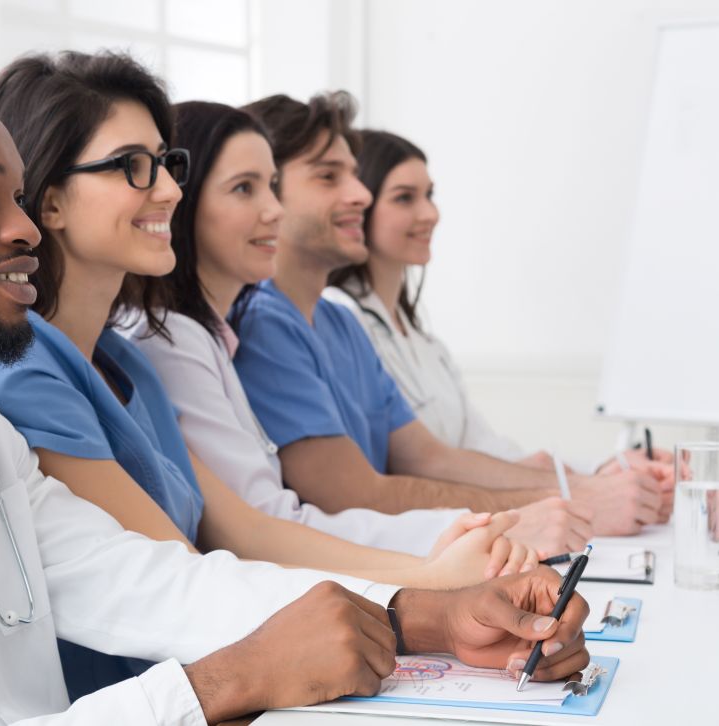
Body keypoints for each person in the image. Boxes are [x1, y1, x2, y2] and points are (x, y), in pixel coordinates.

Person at [0, 65, 590, 725]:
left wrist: (421, 618)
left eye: (22, 196)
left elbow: (149, 581)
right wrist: (223, 685)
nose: (27, 228)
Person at [0, 52, 535, 700]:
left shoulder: (129, 367)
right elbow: (177, 579)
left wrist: (433, 572)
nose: (171, 190)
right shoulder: (19, 372)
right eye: (132, 167)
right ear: (52, 200)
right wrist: (426, 590)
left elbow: (245, 529)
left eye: (167, 164)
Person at [234, 91, 666, 544]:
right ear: (267, 193)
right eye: (328, 176)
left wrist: (576, 491)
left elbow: (429, 457)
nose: (360, 194)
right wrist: (571, 501)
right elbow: (355, 494)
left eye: (355, 177)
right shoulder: (266, 323)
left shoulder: (338, 326)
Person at [128, 100, 508, 556]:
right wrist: (477, 531)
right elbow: (265, 530)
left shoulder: (245, 332)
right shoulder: (187, 338)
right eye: (245, 188)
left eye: (271, 186)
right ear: (181, 204)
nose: (275, 209)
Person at [323, 129, 675, 501]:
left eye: (429, 195)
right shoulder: (342, 319)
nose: (429, 213)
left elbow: (491, 452)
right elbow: (417, 464)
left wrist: (608, 469)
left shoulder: (425, 343)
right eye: (404, 198)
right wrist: (588, 489)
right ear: (360, 205)